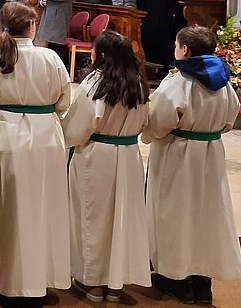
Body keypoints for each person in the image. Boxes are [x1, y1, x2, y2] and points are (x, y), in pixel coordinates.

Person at [143, 26, 241, 305]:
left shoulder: (179, 82)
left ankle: (177, 280)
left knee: (176, 214)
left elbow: (159, 121)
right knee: (206, 216)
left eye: (177, 45)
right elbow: (229, 119)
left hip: (179, 155)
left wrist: (148, 133)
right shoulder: (224, 82)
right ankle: (203, 283)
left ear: (184, 50)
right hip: (211, 154)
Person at [0, 1, 71, 307]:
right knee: (42, 209)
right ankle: (36, 281)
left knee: (3, 210)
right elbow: (64, 101)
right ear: (32, 26)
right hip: (45, 139)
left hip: (4, 136)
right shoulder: (50, 58)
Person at [62, 31, 151, 303]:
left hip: (96, 156)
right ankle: (115, 284)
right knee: (123, 220)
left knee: (93, 219)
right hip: (129, 155)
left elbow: (78, 126)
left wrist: (65, 138)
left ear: (101, 55)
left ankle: (92, 283)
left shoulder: (95, 83)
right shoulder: (139, 83)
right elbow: (145, 121)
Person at [137, 0, 190, 75]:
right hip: (151, 20)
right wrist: (145, 12)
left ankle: (167, 70)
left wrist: (175, 13)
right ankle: (151, 71)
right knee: (150, 45)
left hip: (171, 22)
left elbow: (184, 0)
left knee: (168, 46)